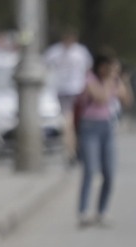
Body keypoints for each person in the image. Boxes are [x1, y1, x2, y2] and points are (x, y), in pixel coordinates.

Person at [76, 48, 132, 228]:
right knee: (90, 170)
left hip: (107, 127)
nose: (110, 71)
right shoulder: (90, 79)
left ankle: (102, 211)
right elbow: (102, 98)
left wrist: (122, 80)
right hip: (89, 127)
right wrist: (109, 80)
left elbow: (126, 100)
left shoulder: (113, 80)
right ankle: (84, 211)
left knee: (109, 172)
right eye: (108, 67)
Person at [43, 27, 93, 165]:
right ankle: (71, 151)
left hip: (78, 91)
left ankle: (77, 149)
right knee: (68, 123)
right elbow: (45, 67)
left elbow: (88, 70)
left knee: (78, 123)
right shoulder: (55, 52)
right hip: (63, 91)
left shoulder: (80, 52)